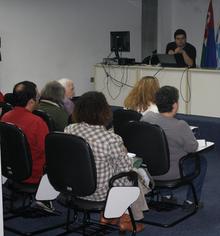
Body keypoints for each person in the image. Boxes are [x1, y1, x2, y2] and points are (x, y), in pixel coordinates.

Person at [64, 91, 145, 232]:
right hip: (100, 193)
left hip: (74, 188)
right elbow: (126, 168)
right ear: (104, 112)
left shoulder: (69, 129)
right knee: (135, 174)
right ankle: (124, 217)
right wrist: (125, 153)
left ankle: (112, 216)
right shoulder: (111, 139)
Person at [141, 86, 207, 209]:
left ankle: (166, 196)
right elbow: (192, 148)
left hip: (147, 171)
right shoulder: (180, 126)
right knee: (201, 162)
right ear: (175, 104)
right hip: (171, 173)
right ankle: (191, 202)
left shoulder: (147, 118)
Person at [1, 81, 55, 212]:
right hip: (34, 174)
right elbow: (48, 152)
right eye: (38, 96)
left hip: (10, 170)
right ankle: (43, 197)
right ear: (31, 101)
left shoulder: (5, 117)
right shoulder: (37, 122)